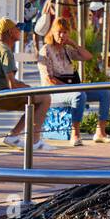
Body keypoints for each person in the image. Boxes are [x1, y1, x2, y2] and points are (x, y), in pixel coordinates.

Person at [0, 17, 50, 148]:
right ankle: (35, 141)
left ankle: (13, 135)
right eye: (17, 28)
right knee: (45, 98)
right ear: (9, 32)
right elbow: (12, 85)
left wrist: (27, 88)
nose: (19, 31)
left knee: (35, 101)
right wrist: (28, 88)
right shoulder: (5, 51)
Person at [39, 15, 93, 147]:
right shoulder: (46, 50)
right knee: (79, 95)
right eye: (59, 32)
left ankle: (100, 132)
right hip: (54, 91)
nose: (62, 35)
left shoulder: (67, 49)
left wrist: (73, 44)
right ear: (52, 32)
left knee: (104, 93)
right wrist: (70, 88)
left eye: (65, 32)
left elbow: (88, 56)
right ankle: (75, 134)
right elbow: (48, 79)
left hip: (71, 88)